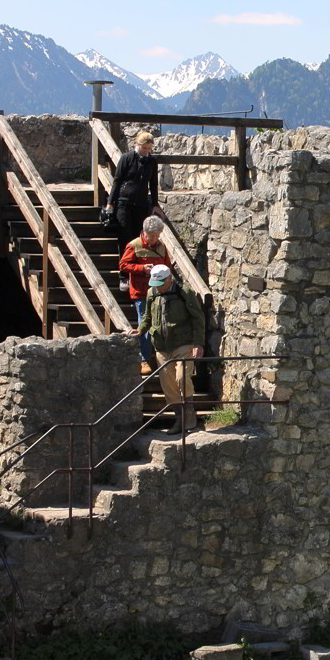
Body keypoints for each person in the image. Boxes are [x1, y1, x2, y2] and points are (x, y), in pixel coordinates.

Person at [134, 264, 205, 435]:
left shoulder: (184, 292)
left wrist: (198, 343)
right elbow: (148, 316)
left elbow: (198, 317)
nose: (157, 286)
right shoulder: (152, 293)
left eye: (160, 283)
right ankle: (180, 420)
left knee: (182, 378)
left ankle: (189, 417)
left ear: (169, 279)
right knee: (168, 385)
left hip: (184, 343)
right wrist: (140, 329)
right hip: (161, 346)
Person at [106, 131, 160, 292]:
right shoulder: (127, 158)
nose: (146, 151)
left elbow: (154, 184)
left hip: (141, 205)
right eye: (144, 148)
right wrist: (110, 203)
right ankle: (123, 275)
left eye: (149, 148)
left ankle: (137, 274)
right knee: (124, 239)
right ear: (137, 145)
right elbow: (117, 181)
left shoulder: (152, 161)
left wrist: (155, 204)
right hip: (124, 204)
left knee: (139, 240)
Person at [119, 215, 171, 375]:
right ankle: (144, 359)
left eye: (157, 235)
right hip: (141, 292)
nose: (155, 239)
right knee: (145, 324)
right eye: (152, 235)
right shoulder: (134, 245)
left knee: (161, 323)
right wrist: (142, 269)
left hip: (158, 291)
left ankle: (161, 357)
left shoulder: (161, 247)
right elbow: (123, 265)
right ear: (145, 232)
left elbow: (168, 266)